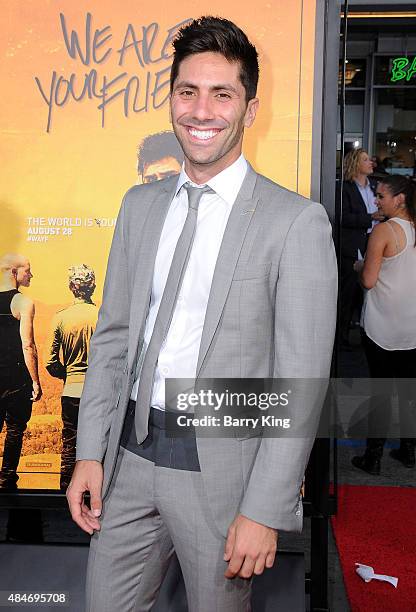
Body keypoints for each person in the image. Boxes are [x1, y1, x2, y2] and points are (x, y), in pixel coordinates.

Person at [67, 16, 338, 611]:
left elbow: (300, 382)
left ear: (251, 107)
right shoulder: (139, 206)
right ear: (171, 98)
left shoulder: (293, 222)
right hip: (129, 460)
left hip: (223, 472)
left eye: (222, 94)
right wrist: (90, 451)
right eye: (187, 91)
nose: (201, 110)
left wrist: (265, 507)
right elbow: (113, 340)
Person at [352, 175, 416, 475]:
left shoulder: (383, 231)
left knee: (380, 391)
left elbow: (368, 279)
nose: (376, 201)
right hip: (411, 323)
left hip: (382, 324)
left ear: (399, 198)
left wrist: (358, 266)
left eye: (381, 196)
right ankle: (408, 451)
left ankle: (373, 457)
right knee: (407, 391)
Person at [45, 264, 98, 490]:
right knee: (97, 446)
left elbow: (50, 362)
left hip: (71, 392)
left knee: (69, 443)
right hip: (98, 394)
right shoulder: (101, 316)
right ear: (92, 287)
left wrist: (68, 375)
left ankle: (65, 490)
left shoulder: (61, 318)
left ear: (71, 287)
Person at [0, 254, 42, 489]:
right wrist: (35, 381)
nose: (31, 275)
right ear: (14, 273)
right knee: (15, 429)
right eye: (28, 270)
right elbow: (28, 345)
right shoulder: (23, 303)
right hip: (16, 379)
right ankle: (7, 479)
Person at [338, 148, 384, 349]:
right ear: (356, 163)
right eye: (365, 159)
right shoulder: (345, 188)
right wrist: (370, 218)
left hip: (373, 244)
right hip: (353, 247)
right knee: (348, 293)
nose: (370, 162)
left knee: (367, 292)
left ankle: (364, 331)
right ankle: (342, 336)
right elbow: (342, 217)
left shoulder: (374, 187)